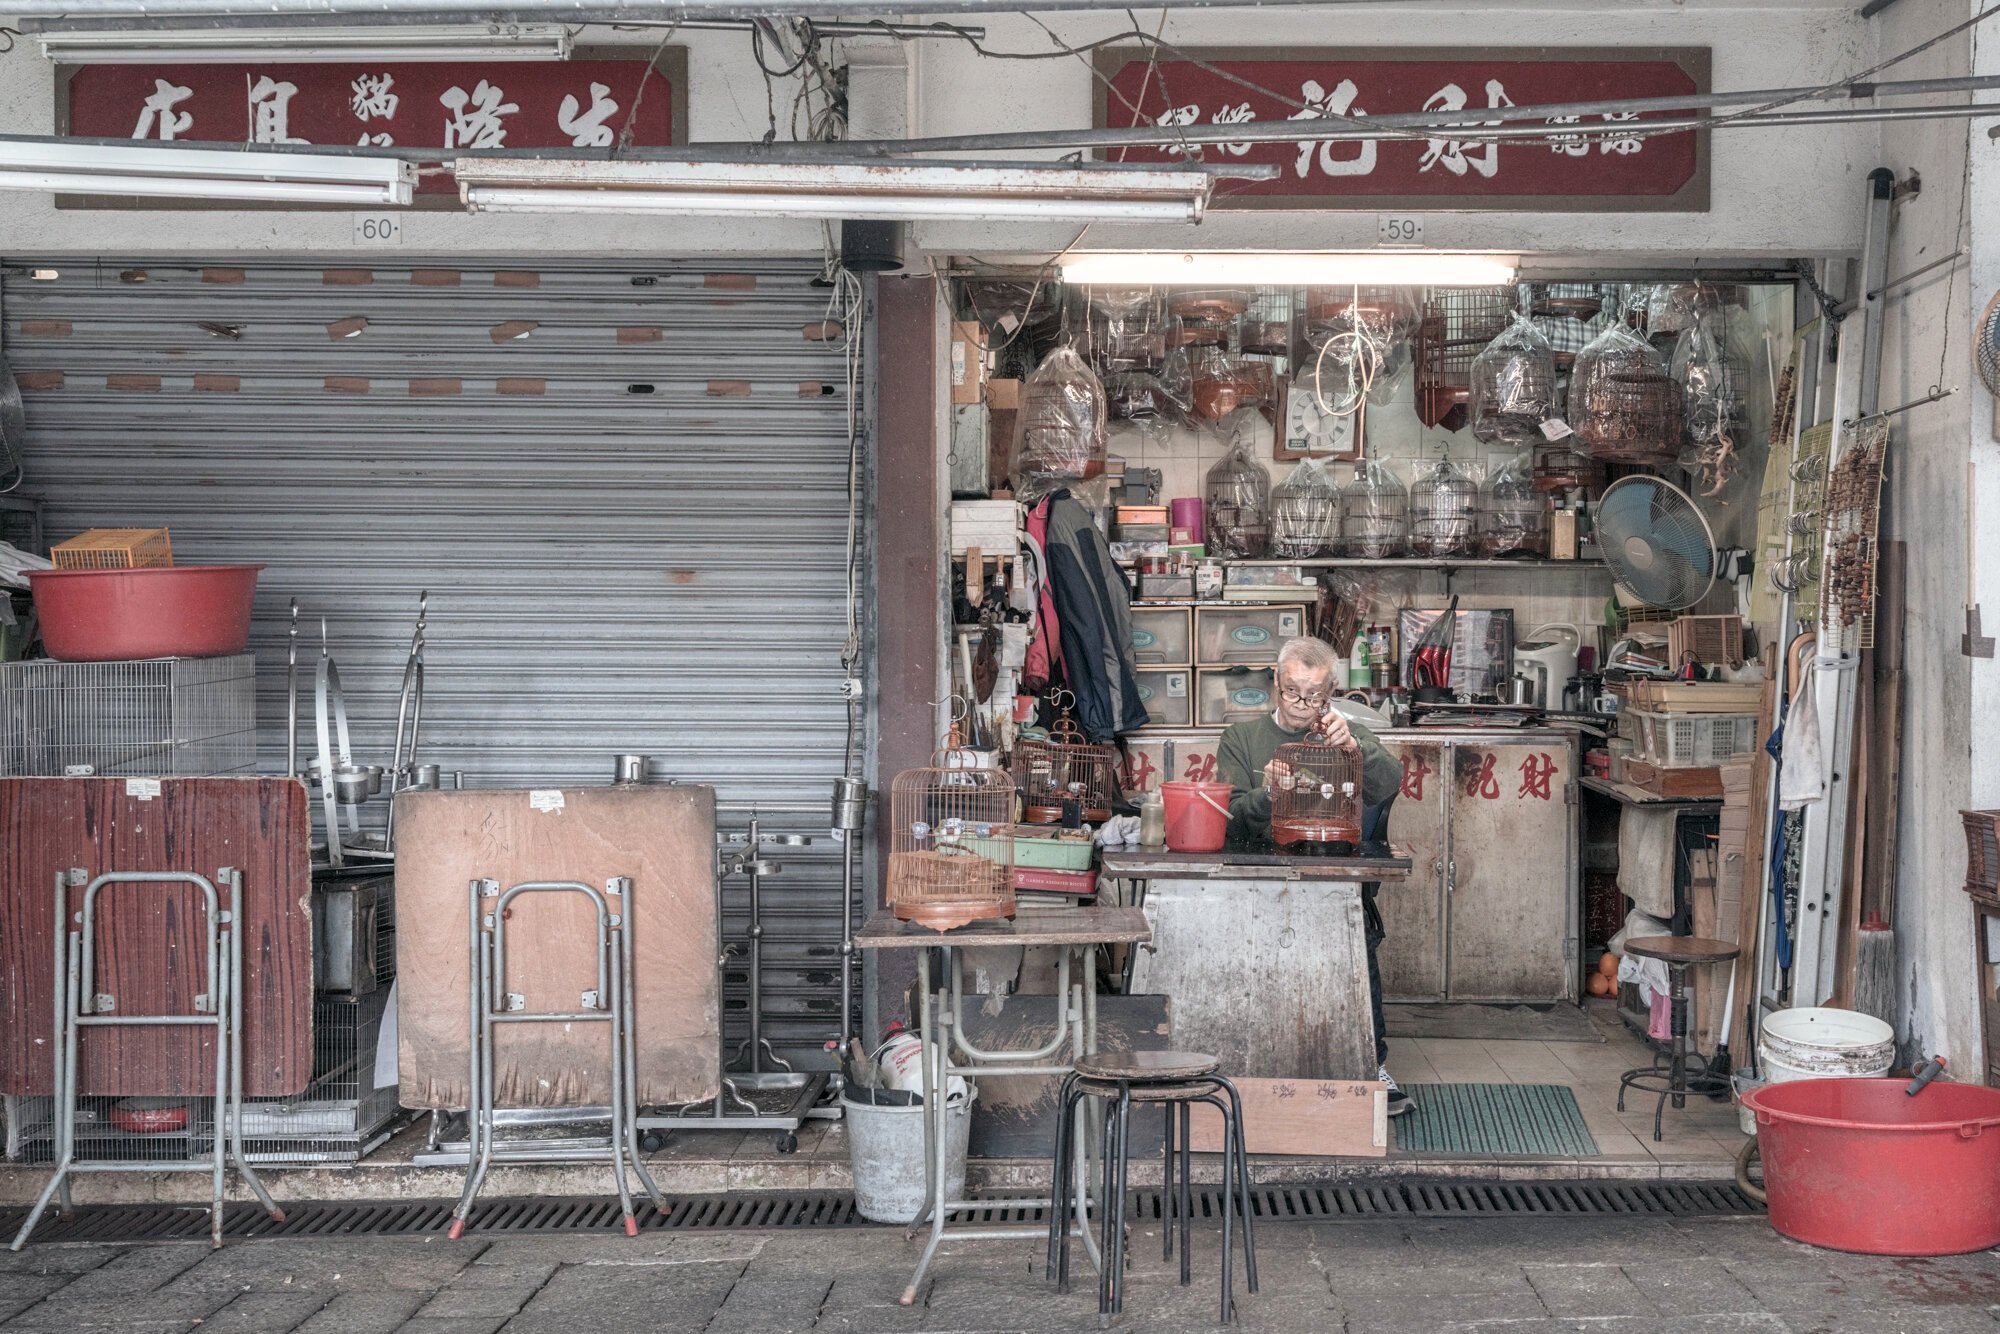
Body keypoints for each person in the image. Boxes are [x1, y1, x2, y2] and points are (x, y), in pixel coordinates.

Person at [1214, 636, 1411, 1117]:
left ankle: (1373, 1064)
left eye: (1315, 695)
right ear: (1275, 682)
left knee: (1356, 932)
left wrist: (1356, 747)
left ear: (1331, 691)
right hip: (1262, 880)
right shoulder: (1241, 739)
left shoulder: (1345, 733)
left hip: (1331, 875)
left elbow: (1390, 783)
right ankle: (1254, 1068)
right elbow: (1232, 817)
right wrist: (1270, 792)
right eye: (1293, 692)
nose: (1303, 705)